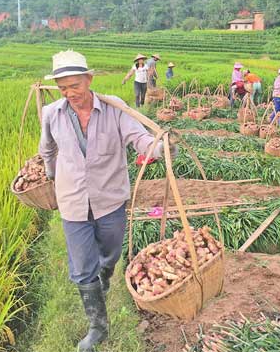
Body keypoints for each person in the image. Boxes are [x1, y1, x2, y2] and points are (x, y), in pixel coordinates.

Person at [39, 50, 177, 351]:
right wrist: (51, 176)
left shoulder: (114, 108)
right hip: (72, 201)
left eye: (75, 85)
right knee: (81, 265)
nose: (70, 93)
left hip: (110, 198)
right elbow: (47, 149)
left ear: (89, 79)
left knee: (110, 253)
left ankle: (104, 275)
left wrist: (158, 147)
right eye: (63, 88)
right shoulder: (52, 113)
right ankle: (97, 326)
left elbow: (138, 138)